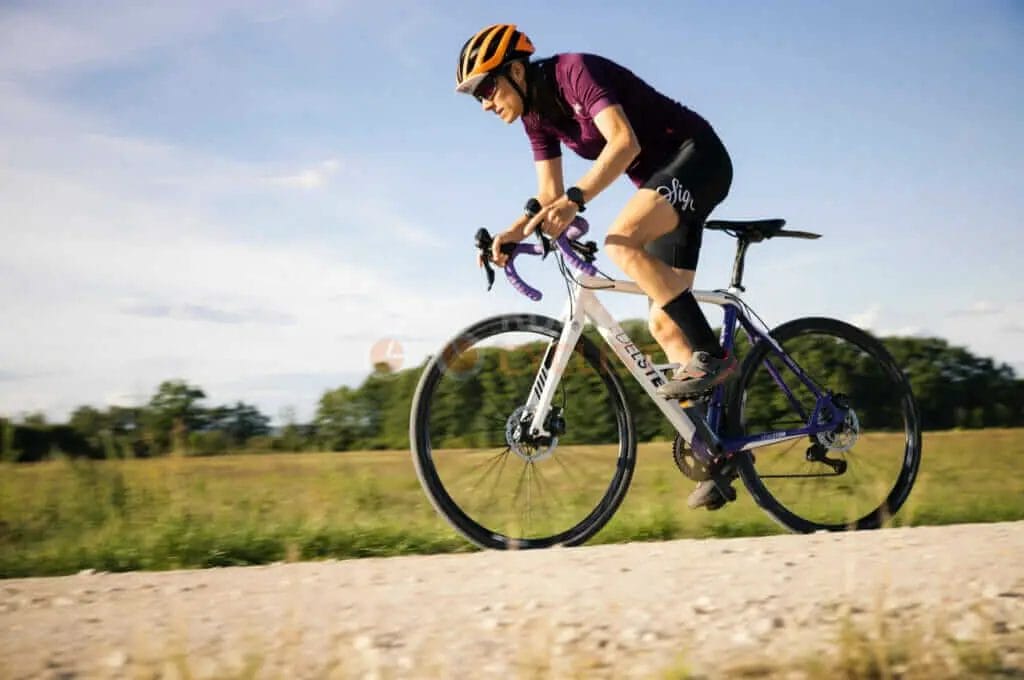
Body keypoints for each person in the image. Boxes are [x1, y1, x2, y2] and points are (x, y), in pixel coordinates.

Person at [456, 23, 737, 510]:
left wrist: (578, 198)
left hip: (699, 158)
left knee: (619, 241)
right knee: (665, 325)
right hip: (661, 184)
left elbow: (622, 142)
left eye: (488, 87)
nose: (485, 103)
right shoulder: (536, 116)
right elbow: (548, 195)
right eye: (477, 96)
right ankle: (726, 451)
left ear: (517, 71)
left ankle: (716, 355)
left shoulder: (574, 72)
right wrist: (512, 233)